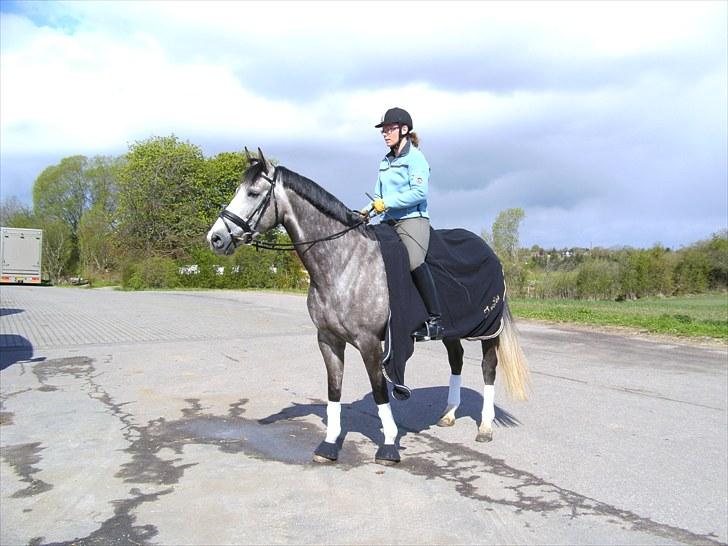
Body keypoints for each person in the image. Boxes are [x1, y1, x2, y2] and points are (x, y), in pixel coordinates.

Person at [363, 107, 444, 341]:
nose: (385, 134)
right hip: (388, 220)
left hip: (412, 220)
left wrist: (385, 203)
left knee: (413, 261)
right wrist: (364, 212)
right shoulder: (385, 161)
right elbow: (377, 197)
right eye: (383, 131)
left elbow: (419, 193)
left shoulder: (416, 158)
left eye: (389, 129)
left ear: (404, 130)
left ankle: (435, 320)